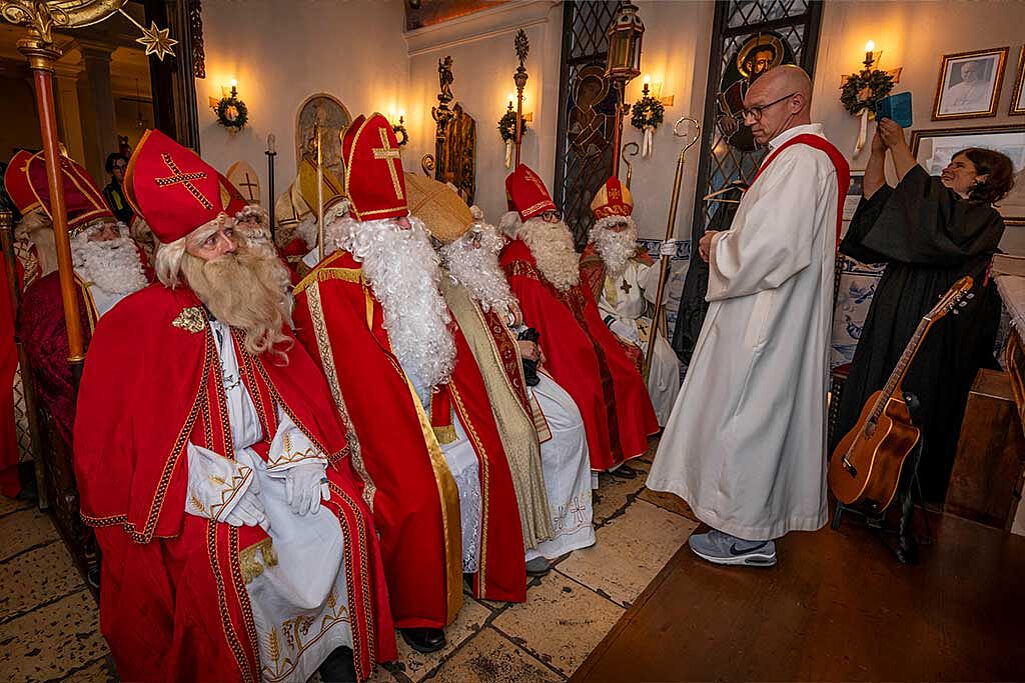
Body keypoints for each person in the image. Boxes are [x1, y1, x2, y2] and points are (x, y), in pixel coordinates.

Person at [74, 129, 396, 682]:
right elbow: (117, 443)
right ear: (177, 253)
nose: (229, 246)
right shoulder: (134, 323)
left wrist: (301, 450)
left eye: (228, 232)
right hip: (196, 481)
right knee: (217, 556)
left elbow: (297, 385)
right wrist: (196, 479)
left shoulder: (252, 295)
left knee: (345, 511)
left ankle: (330, 643)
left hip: (272, 452)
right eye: (211, 240)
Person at [292, 114, 525, 655]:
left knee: (487, 454)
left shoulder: (417, 266)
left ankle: (471, 565)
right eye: (392, 225)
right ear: (362, 229)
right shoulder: (328, 285)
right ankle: (418, 606)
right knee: (417, 492)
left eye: (405, 223)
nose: (405, 232)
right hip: (380, 423)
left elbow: (441, 347)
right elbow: (359, 390)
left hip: (430, 402)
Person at [647, 65, 850, 566]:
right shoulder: (798, 158)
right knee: (756, 416)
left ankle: (746, 535)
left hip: (766, 317)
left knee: (749, 418)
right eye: (747, 112)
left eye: (760, 110)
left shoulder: (801, 160)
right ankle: (743, 522)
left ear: (796, 104)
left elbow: (773, 249)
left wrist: (717, 244)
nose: (751, 122)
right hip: (773, 312)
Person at [409, 174, 595, 575]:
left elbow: (504, 321)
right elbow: (470, 349)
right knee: (528, 433)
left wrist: (523, 340)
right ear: (449, 249)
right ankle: (527, 539)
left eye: (480, 237)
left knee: (569, 417)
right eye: (470, 240)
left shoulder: (481, 275)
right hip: (480, 389)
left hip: (514, 372)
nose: (481, 245)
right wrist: (515, 348)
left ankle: (561, 528)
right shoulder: (450, 285)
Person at [833, 119, 1013, 502]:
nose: (948, 168)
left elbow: (932, 210)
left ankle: (899, 486)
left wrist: (901, 146)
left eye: (961, 166)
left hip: (935, 322)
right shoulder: (929, 207)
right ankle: (854, 465)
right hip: (895, 302)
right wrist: (879, 153)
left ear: (983, 179)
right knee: (876, 379)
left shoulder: (984, 220)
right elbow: (878, 201)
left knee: (915, 394)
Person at [500, 164, 659, 481]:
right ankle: (591, 469)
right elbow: (543, 316)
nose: (553, 222)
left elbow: (583, 300)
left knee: (625, 373)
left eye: (553, 214)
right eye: (543, 217)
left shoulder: (557, 254)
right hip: (554, 348)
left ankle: (617, 456)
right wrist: (585, 344)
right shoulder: (517, 259)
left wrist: (602, 340)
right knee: (587, 388)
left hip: (585, 337)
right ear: (526, 223)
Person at [14, 151, 151, 443]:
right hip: (102, 400)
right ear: (77, 242)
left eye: (115, 229)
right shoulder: (51, 294)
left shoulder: (144, 274)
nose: (110, 238)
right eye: (97, 231)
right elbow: (53, 367)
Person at [579, 176, 682, 425]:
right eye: (611, 226)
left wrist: (662, 265)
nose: (616, 233)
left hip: (639, 324)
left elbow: (652, 290)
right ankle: (628, 425)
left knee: (666, 361)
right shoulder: (589, 262)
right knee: (621, 365)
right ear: (600, 229)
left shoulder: (636, 256)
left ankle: (657, 422)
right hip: (604, 327)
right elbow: (585, 304)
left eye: (621, 227)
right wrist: (613, 324)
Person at [102, 152, 134, 225]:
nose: (122, 171)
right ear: (111, 172)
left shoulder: (136, 186)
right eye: (117, 168)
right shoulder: (108, 192)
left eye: (124, 166)